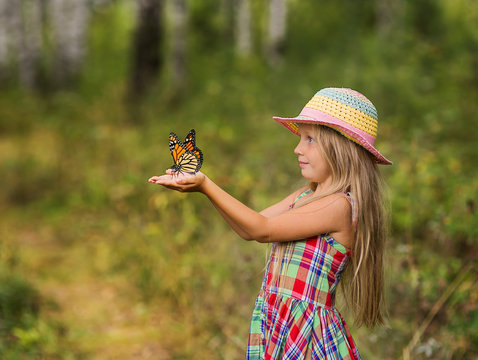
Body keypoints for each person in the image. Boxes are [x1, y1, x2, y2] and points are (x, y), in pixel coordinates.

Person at [148, 87, 392, 359]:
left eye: (310, 139)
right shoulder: (305, 196)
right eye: (301, 138)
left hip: (307, 335)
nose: (297, 148)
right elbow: (250, 227)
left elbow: (261, 230)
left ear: (341, 149)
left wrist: (207, 185)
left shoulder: (339, 206)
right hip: (279, 325)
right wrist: (202, 189)